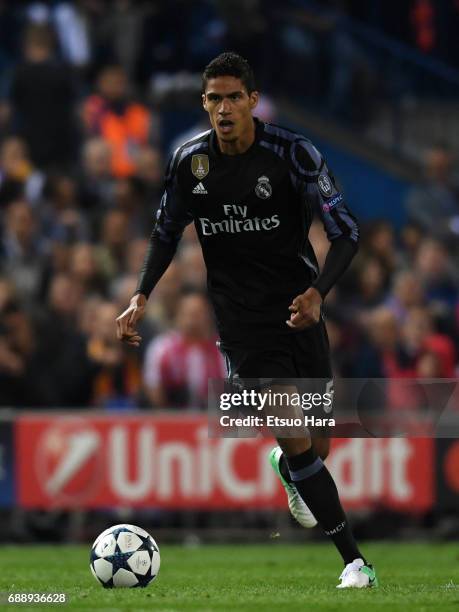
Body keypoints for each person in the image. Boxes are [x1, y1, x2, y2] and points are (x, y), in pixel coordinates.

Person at [116, 52, 376, 588]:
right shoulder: (190, 163)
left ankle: (288, 466)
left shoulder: (293, 153)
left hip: (301, 311)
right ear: (204, 104)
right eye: (215, 99)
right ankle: (355, 562)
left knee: (315, 447)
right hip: (242, 323)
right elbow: (166, 231)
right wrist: (141, 294)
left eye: (235, 97)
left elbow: (347, 231)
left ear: (253, 101)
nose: (225, 108)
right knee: (294, 428)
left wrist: (317, 293)